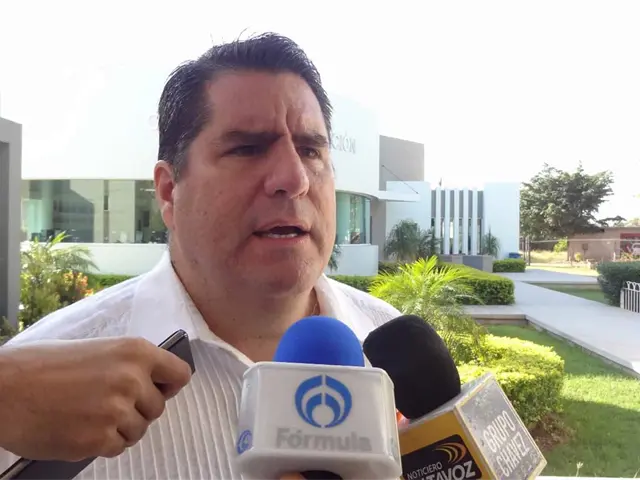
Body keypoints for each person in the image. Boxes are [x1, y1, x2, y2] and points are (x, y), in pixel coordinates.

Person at [0, 32, 401, 479]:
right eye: (248, 148)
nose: (294, 178)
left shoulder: (397, 353)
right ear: (169, 192)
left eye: (310, 150)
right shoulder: (25, 400)